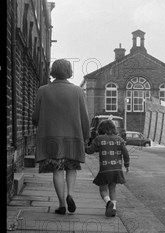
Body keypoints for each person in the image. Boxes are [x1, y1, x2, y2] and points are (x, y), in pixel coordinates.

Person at [32, 58, 90, 215]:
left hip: (51, 139)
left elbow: (35, 117)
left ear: (53, 71)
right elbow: (84, 116)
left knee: (57, 170)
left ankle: (62, 204)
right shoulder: (78, 91)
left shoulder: (42, 90)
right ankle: (71, 194)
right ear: (69, 72)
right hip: (73, 138)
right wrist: (86, 135)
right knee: (71, 168)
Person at [85, 119, 129, 217]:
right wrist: (127, 164)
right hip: (116, 170)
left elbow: (89, 150)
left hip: (105, 170)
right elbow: (125, 153)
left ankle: (108, 202)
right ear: (113, 128)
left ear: (100, 129)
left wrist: (84, 144)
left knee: (103, 189)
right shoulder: (120, 139)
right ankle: (113, 209)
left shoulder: (99, 139)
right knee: (112, 188)